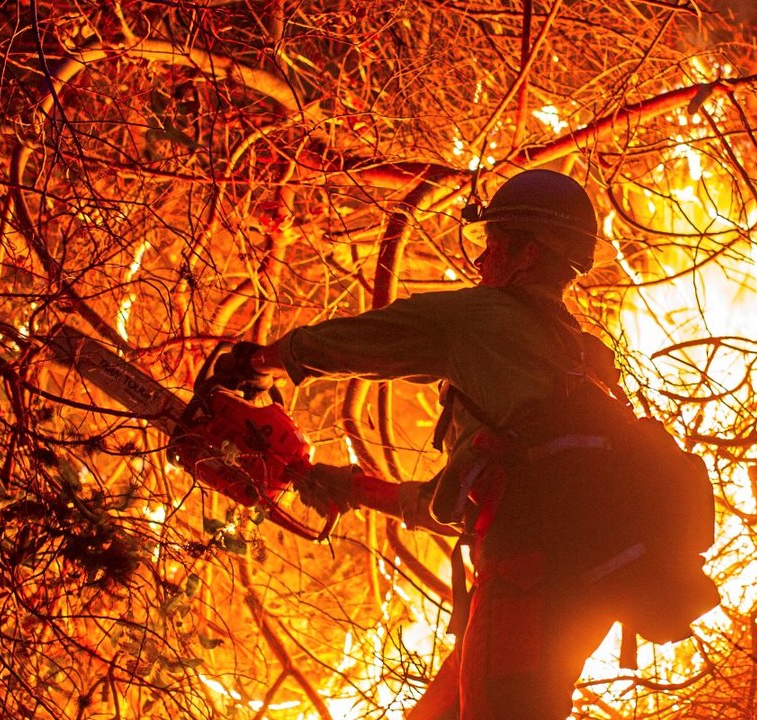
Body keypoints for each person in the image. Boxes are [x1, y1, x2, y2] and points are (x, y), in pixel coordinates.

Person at [216, 169, 635, 720]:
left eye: (493, 245)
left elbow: (361, 342)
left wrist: (262, 362)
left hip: (524, 581)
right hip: (574, 591)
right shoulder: (581, 357)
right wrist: (346, 485)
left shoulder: (483, 320)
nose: (482, 262)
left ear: (528, 254)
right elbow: (461, 506)